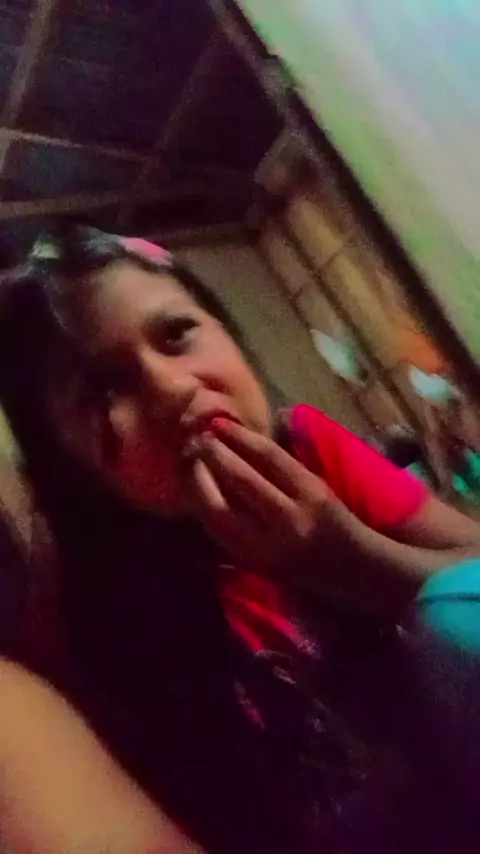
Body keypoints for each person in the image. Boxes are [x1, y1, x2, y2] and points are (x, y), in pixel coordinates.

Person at [0, 226, 479, 854]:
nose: (174, 388)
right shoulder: (76, 612)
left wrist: (344, 558)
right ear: (68, 466)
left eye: (177, 334)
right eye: (103, 388)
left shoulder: (308, 448)